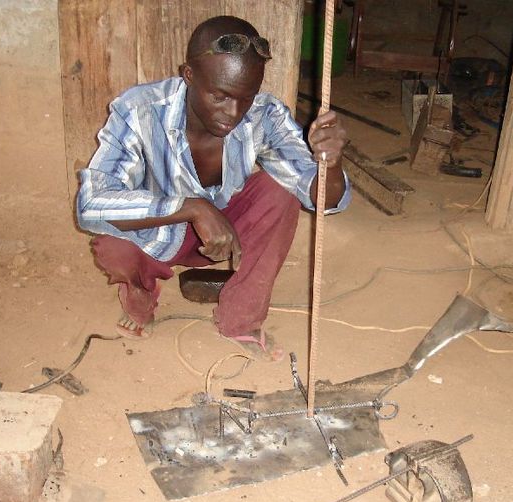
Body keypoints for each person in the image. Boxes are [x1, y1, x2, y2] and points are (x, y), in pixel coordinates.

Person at [76, 15, 351, 359]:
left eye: (245, 97)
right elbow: (91, 206)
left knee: (281, 191)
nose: (233, 113)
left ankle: (240, 319)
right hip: (157, 237)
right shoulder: (141, 110)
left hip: (224, 236)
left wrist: (332, 162)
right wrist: (194, 207)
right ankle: (139, 291)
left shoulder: (265, 116)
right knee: (112, 244)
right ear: (188, 75)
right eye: (219, 96)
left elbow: (324, 199)